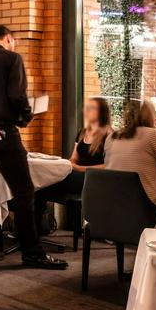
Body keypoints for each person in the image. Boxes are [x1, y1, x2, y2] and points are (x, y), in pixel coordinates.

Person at [0, 24, 66, 269]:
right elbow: (17, 95)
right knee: (24, 189)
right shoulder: (12, 59)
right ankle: (32, 252)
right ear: (8, 39)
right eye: (14, 41)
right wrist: (26, 117)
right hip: (0, 131)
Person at [34, 97, 110, 235]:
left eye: (92, 108)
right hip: (77, 175)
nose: (86, 110)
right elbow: (73, 158)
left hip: (94, 178)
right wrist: (70, 165)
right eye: (86, 107)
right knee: (40, 185)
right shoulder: (82, 132)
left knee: (45, 183)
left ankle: (33, 230)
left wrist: (80, 169)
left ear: (102, 112)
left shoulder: (109, 134)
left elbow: (109, 165)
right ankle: (35, 229)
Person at [104, 101, 156, 206]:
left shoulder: (111, 137)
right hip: (147, 206)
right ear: (149, 116)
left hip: (115, 204)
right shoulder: (152, 135)